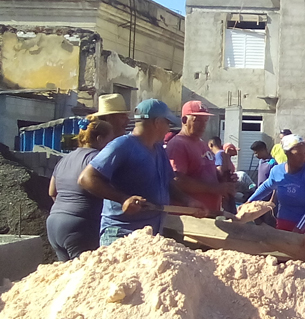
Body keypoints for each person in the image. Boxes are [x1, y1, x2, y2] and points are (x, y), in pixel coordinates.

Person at [78, 99, 205, 245]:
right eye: (167, 123)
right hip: (121, 235)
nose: (168, 129)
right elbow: (86, 178)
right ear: (157, 122)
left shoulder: (158, 149)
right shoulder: (122, 145)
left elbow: (168, 183)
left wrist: (189, 201)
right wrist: (123, 199)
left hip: (151, 235)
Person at [47, 120, 113, 260]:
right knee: (84, 276)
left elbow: (52, 192)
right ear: (100, 139)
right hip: (80, 226)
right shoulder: (97, 159)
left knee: (66, 275)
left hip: (54, 223)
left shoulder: (65, 159)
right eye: (110, 140)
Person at [166, 101, 235, 214]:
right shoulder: (178, 144)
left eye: (205, 121)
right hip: (190, 215)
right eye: (197, 120)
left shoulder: (201, 143)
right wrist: (214, 188)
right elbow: (176, 180)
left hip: (208, 214)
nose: (203, 125)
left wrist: (222, 178)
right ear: (184, 120)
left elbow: (205, 172)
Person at [247, 135, 305, 234]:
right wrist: (249, 202)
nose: (304, 157)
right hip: (285, 221)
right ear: (287, 153)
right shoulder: (277, 170)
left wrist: (299, 228)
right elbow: (266, 186)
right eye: (299, 153)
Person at [215, 143, 239, 213]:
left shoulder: (227, 158)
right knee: (226, 211)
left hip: (229, 188)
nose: (236, 153)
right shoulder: (221, 154)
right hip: (225, 188)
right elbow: (221, 172)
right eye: (233, 150)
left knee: (231, 211)